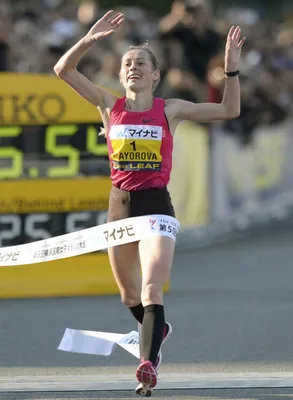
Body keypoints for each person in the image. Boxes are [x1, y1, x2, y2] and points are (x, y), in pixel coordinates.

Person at [53, 9, 245, 397]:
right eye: (127, 63)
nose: (133, 67)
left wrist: (230, 71)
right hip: (119, 207)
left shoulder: (170, 109)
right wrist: (89, 40)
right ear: (122, 75)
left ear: (155, 75)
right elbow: (63, 70)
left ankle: (147, 363)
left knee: (151, 291)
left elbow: (229, 110)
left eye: (141, 62)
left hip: (156, 206)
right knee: (128, 296)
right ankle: (156, 329)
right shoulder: (108, 104)